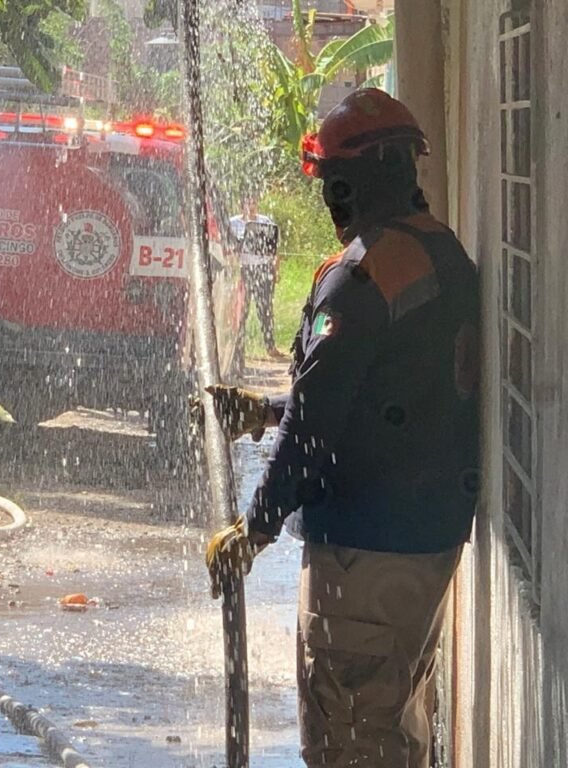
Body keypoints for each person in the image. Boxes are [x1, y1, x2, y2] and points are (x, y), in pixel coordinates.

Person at [204, 89, 480, 768]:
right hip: (421, 548)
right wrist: (269, 411)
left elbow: (318, 431)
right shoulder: (439, 253)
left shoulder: (359, 276)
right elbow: (388, 397)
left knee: (348, 744)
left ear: (366, 176)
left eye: (334, 182)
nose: (330, 199)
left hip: (363, 557)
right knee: (392, 736)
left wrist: (255, 529)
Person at [230, 196, 286, 361]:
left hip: (263, 269)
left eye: (254, 203)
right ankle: (238, 347)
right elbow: (229, 247)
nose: (251, 206)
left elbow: (273, 247)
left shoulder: (266, 221)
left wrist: (275, 269)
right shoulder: (233, 223)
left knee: (266, 309)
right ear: (242, 206)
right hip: (244, 270)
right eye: (248, 203)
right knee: (242, 309)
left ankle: (270, 347)